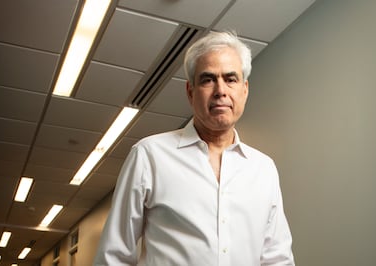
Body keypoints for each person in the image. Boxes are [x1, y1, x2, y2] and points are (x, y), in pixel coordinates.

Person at [94, 31, 294, 266]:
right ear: (190, 92)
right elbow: (113, 256)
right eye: (208, 79)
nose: (221, 90)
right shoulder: (149, 156)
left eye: (231, 79)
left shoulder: (264, 168)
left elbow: (277, 259)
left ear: (244, 89)